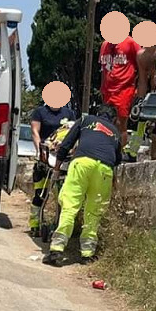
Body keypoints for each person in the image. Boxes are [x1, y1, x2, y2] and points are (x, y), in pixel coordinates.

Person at [43, 104, 122, 267]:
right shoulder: (115, 132)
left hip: (82, 163)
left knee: (70, 206)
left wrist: (57, 168)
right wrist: (113, 181)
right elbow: (117, 159)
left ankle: (56, 249)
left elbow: (66, 144)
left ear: (97, 113)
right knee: (94, 211)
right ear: (113, 119)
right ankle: (87, 254)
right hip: (105, 170)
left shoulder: (86, 120)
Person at [28, 103, 76, 235]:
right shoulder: (40, 112)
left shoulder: (69, 113)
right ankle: (35, 224)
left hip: (63, 155)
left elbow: (73, 132)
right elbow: (35, 132)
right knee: (40, 194)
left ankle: (61, 226)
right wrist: (40, 151)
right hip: (45, 157)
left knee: (63, 196)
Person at [99, 36, 142, 150]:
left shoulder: (130, 43)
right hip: (108, 91)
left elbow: (141, 65)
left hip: (124, 88)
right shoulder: (105, 45)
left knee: (120, 123)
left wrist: (139, 87)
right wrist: (102, 88)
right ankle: (108, 149)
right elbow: (104, 69)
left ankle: (120, 152)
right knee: (106, 122)